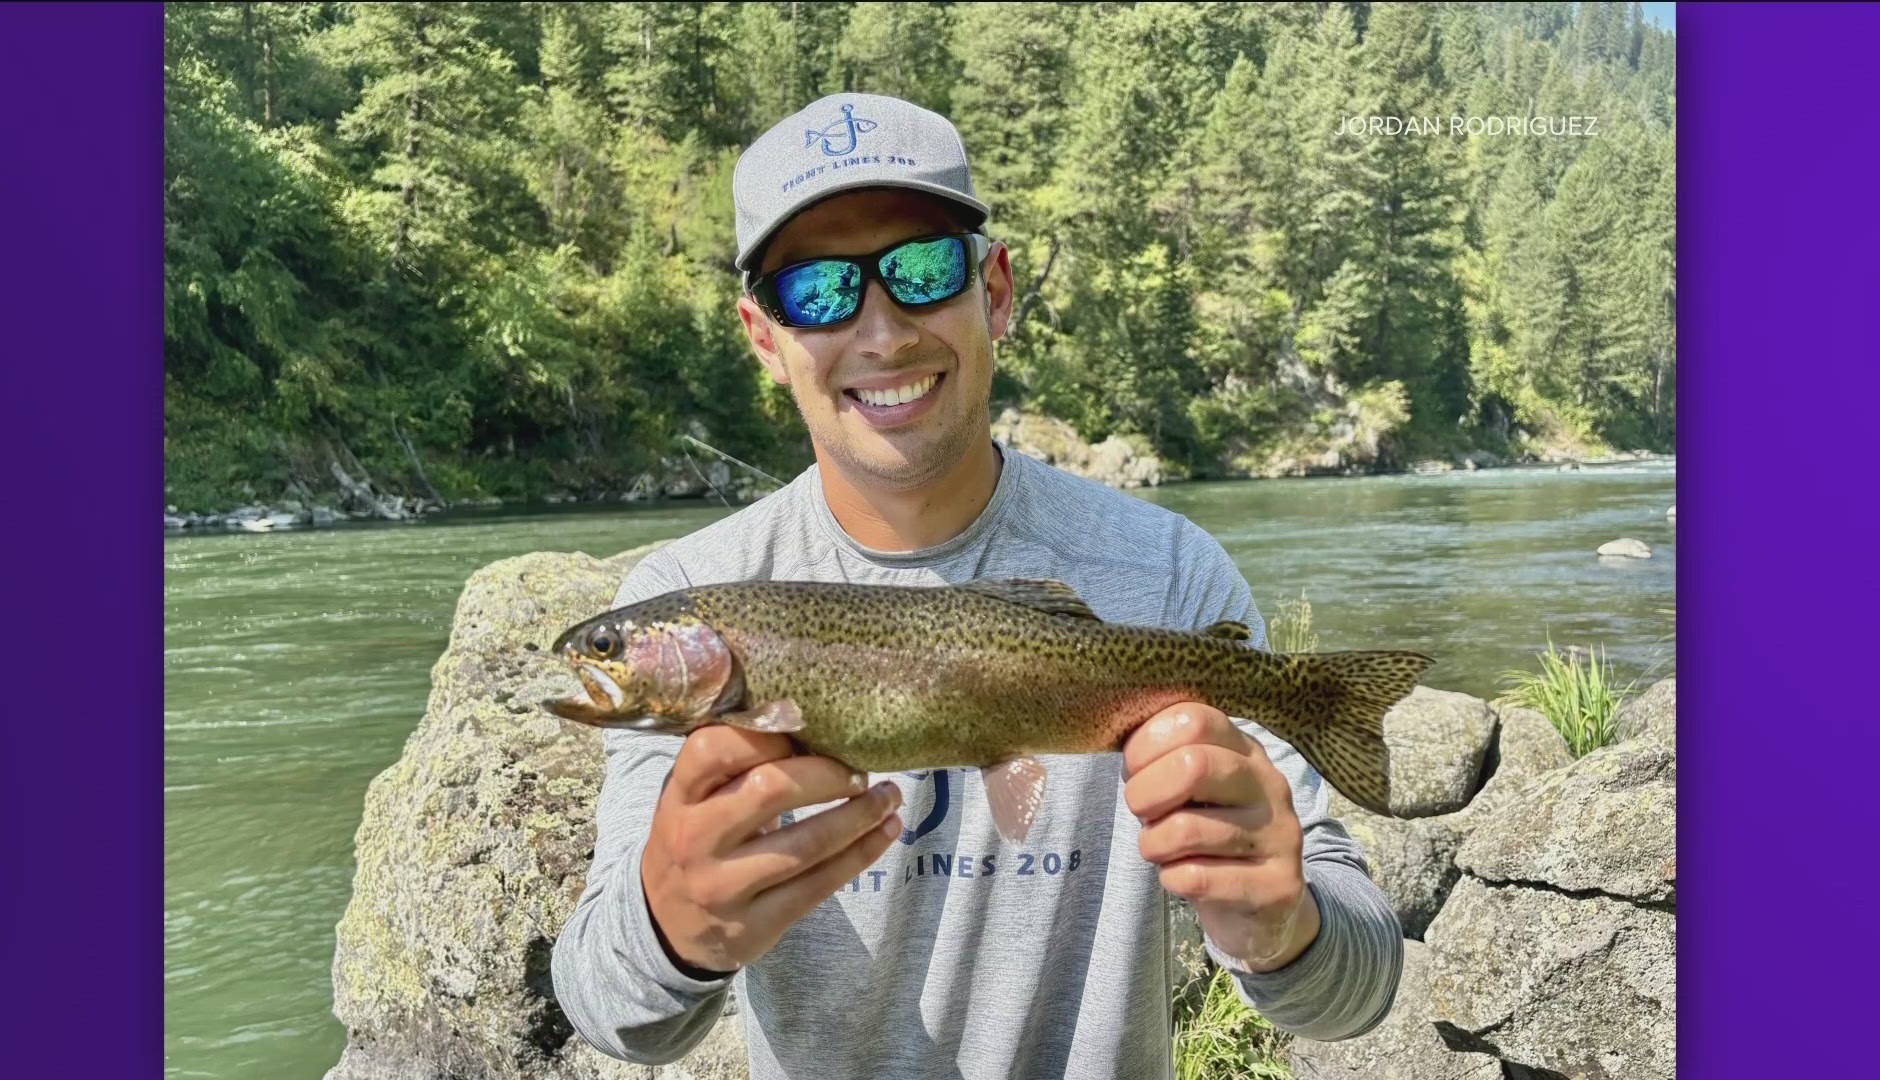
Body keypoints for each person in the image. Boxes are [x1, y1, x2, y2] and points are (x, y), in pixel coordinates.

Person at [551, 92, 1403, 1079]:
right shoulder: (697, 582)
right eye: (820, 293)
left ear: (994, 289)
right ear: (764, 337)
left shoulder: (1165, 576)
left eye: (920, 270)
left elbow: (1363, 984)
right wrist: (673, 928)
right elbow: (610, 1012)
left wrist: (1280, 927)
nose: (880, 332)